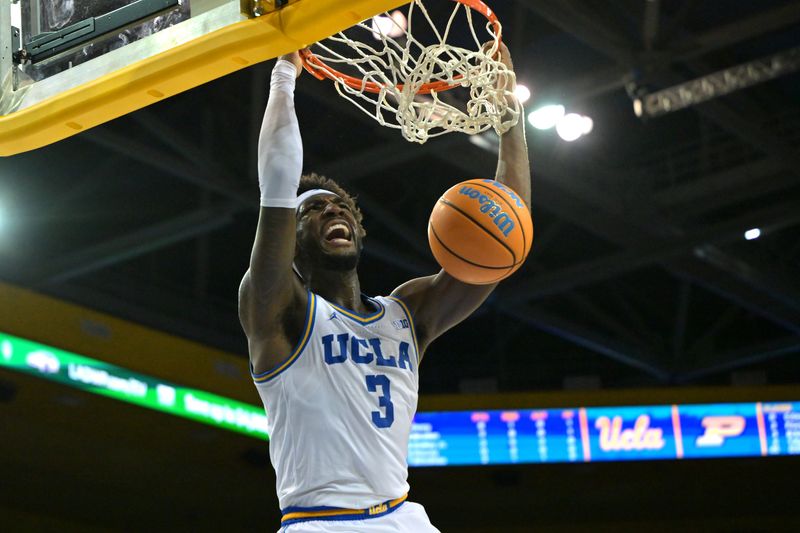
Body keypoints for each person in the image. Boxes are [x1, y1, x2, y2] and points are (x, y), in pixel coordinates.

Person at [238, 44, 531, 532]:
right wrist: (285, 74)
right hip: (321, 522)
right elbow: (277, 185)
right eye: (313, 210)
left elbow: (502, 241)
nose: (332, 211)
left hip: (402, 518)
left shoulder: (407, 315)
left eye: (340, 207)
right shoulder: (280, 311)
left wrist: (511, 124)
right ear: (292, 241)